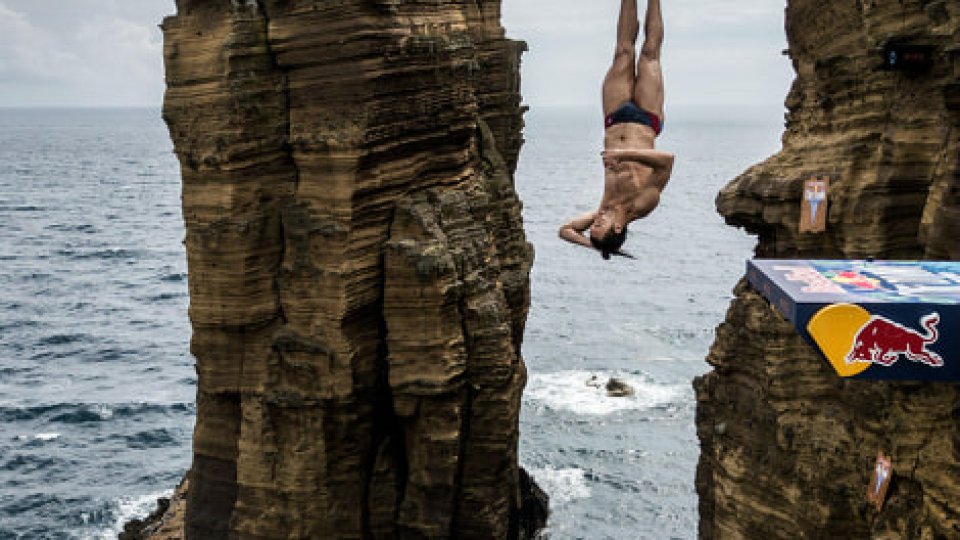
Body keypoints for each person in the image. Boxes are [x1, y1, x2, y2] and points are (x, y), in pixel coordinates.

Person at [558, 0, 674, 260]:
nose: (595, 221)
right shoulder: (642, 206)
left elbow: (565, 230)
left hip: (614, 117)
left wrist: (597, 245)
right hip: (646, 119)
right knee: (650, 52)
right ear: (618, 226)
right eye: (599, 227)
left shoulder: (603, 208)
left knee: (623, 51)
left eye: (593, 227)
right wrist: (625, 156)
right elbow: (667, 162)